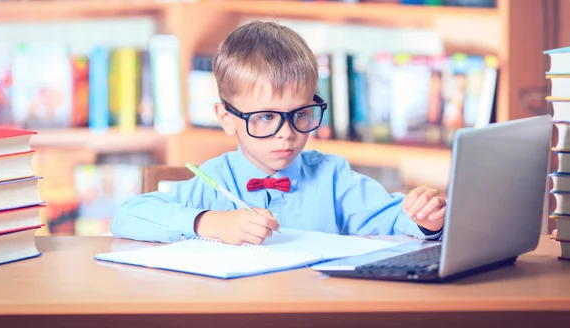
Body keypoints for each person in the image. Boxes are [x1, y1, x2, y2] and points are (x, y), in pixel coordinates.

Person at [110, 21, 447, 245]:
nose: (286, 133)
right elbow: (126, 215)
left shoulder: (334, 177)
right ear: (226, 118)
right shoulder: (213, 180)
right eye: (266, 117)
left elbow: (392, 217)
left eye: (300, 113)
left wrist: (426, 219)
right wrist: (209, 223)